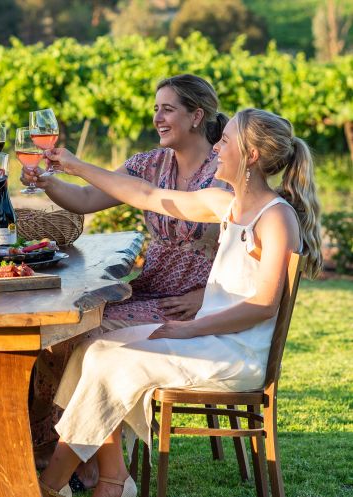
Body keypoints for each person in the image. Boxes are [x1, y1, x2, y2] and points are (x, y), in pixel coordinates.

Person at [37, 108, 322, 497]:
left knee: (114, 361)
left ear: (251, 155)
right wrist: (74, 166)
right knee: (93, 349)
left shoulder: (276, 219)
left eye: (225, 141)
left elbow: (264, 305)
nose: (216, 147)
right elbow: (146, 194)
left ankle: (50, 485)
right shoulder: (226, 205)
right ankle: (112, 478)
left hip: (234, 353)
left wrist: (191, 328)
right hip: (206, 340)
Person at [22, 74, 230, 478]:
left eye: (168, 109)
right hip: (150, 289)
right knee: (61, 333)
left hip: (193, 304)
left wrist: (208, 296)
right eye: (155, 109)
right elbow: (85, 199)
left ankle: (88, 467)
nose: (158, 117)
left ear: (196, 116)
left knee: (90, 338)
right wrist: (47, 182)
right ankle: (49, 448)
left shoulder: (226, 171)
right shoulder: (148, 164)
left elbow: (248, 251)